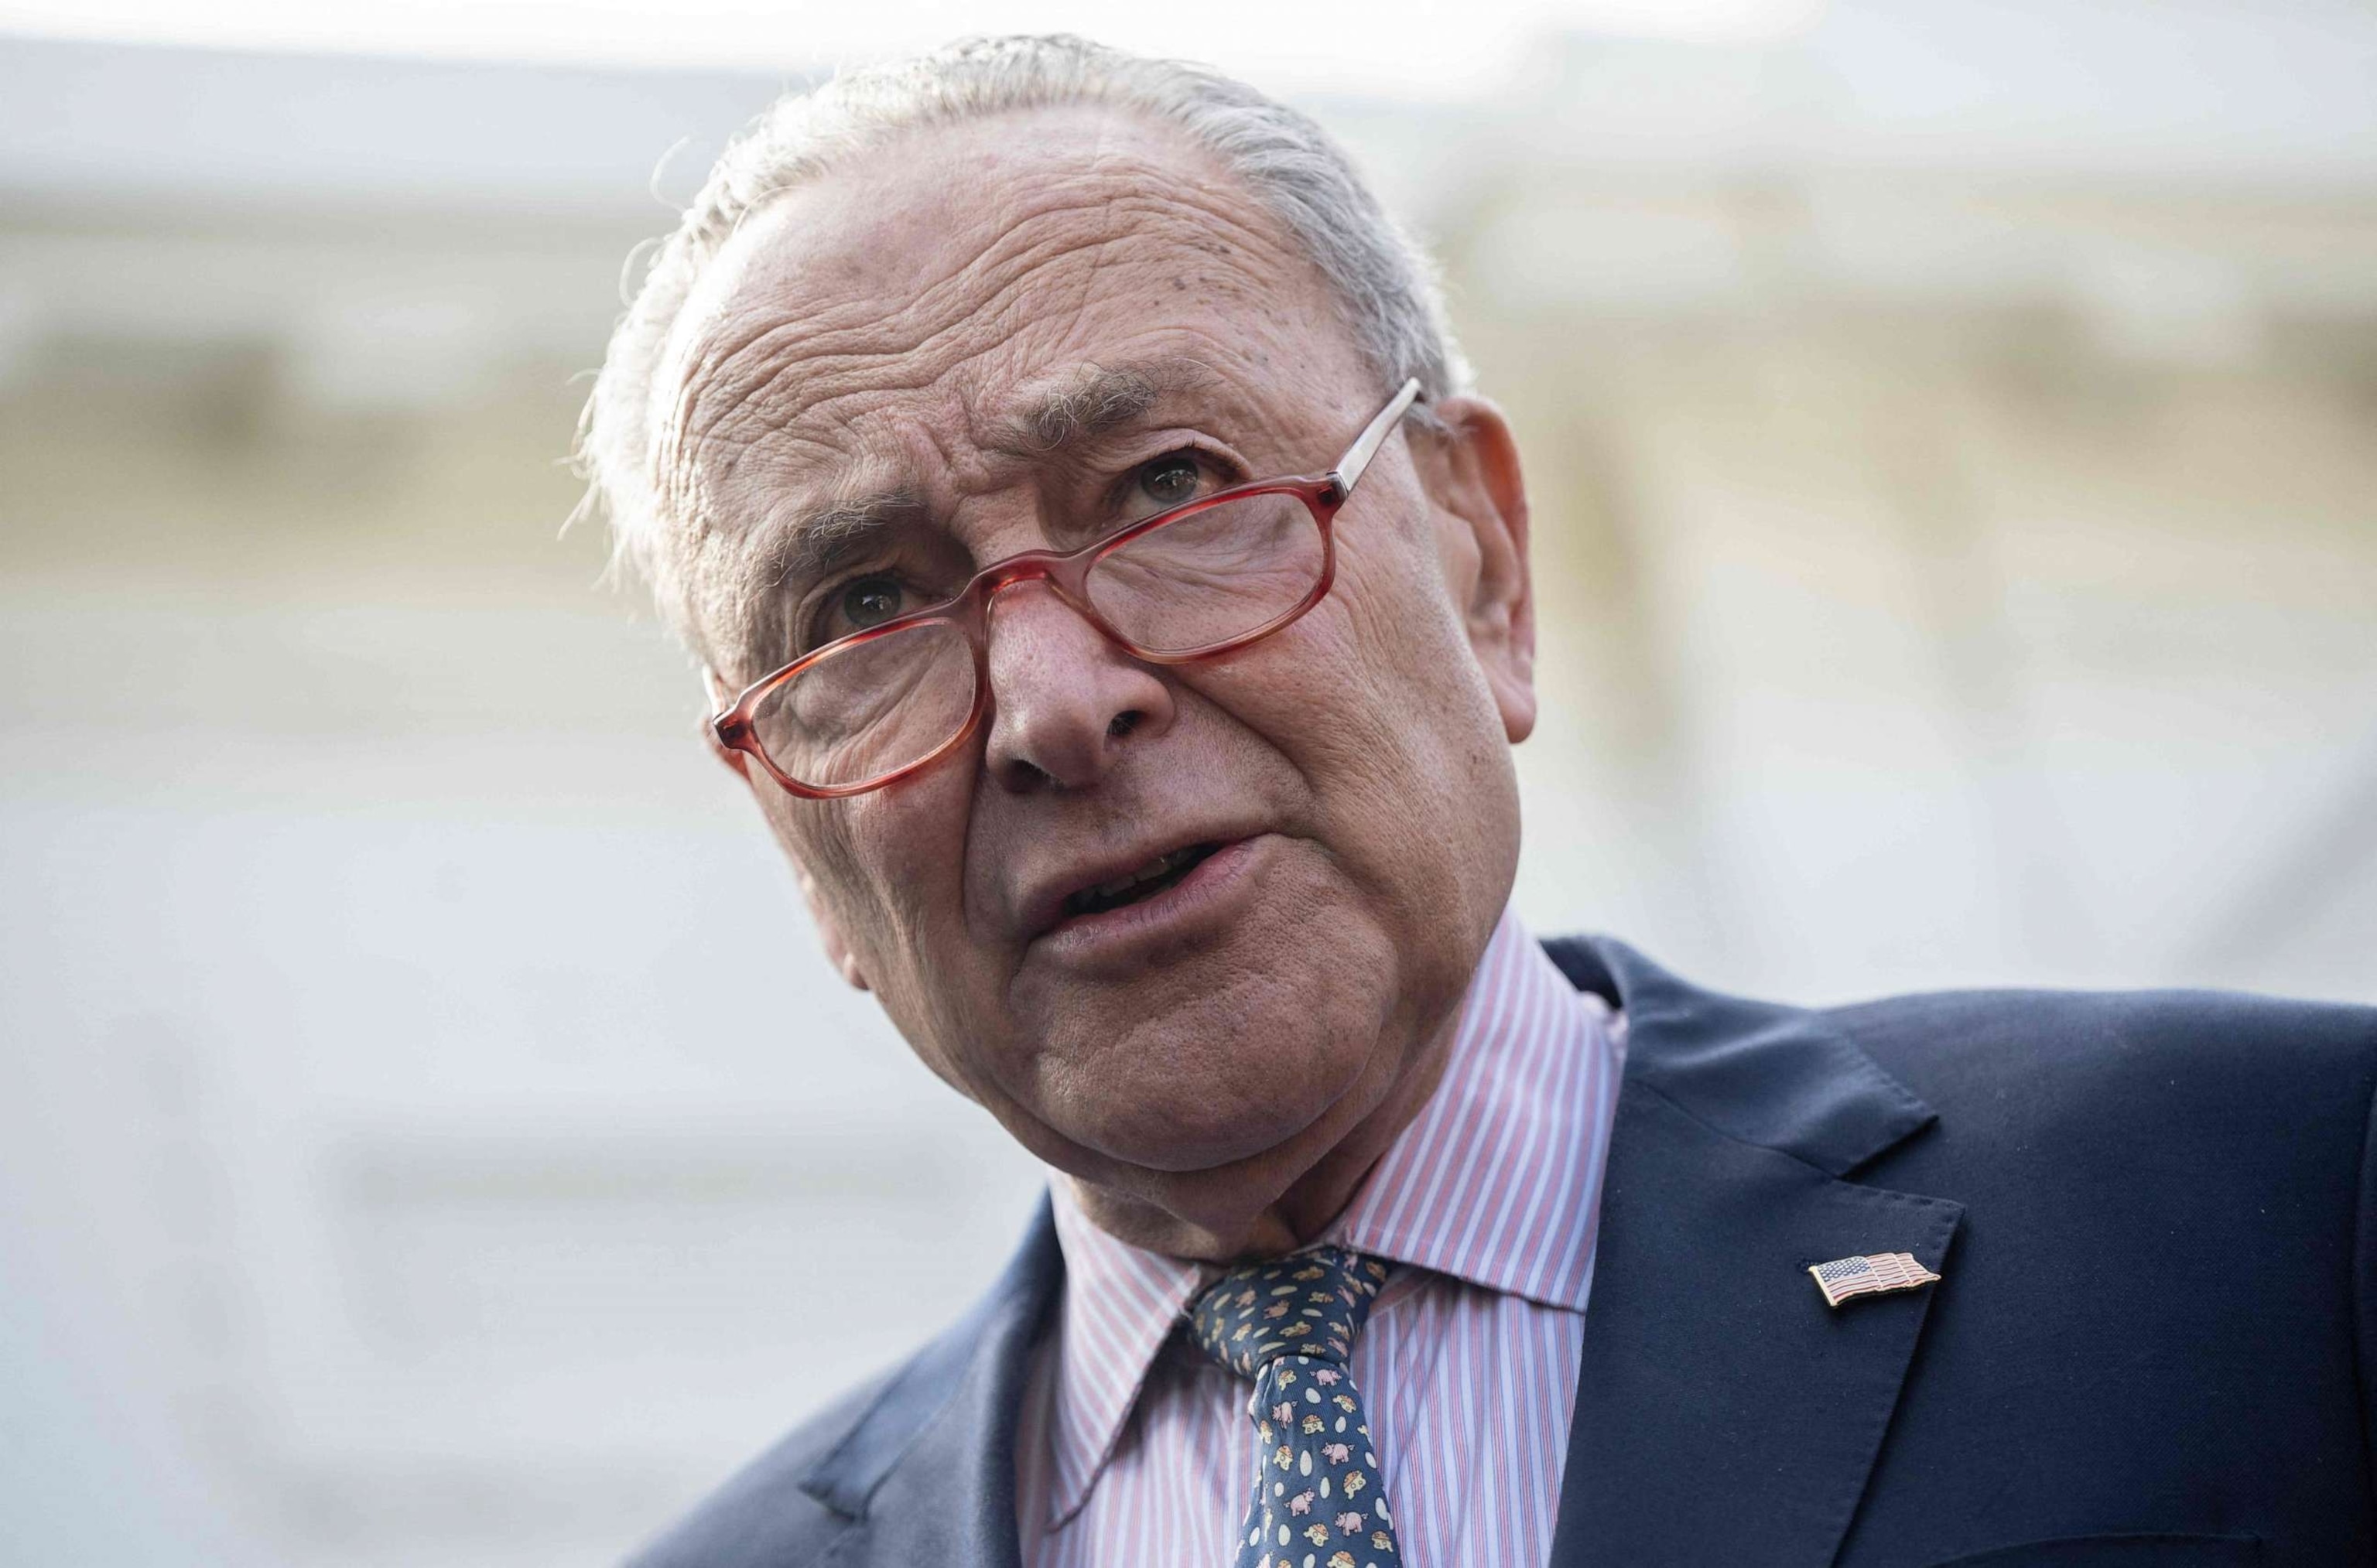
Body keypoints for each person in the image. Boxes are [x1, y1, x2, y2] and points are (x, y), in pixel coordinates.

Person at [576, 34, 2377, 1568]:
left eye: (1169, 486)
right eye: (867, 609)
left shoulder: (2259, 1214)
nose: (1053, 705)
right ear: (801, 847)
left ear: (1483, 564)